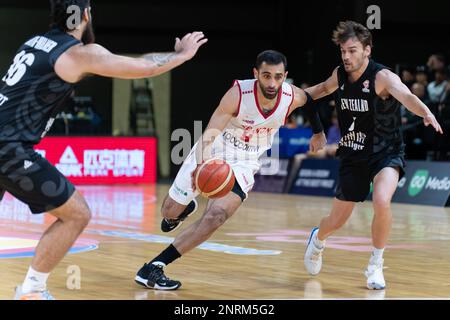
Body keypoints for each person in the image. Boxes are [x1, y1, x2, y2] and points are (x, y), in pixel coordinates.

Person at [0, 0, 207, 300]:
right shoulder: (79, 53)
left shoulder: (33, 43)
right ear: (85, 16)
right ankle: (32, 291)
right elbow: (144, 67)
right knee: (76, 214)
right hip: (10, 149)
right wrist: (182, 55)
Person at [135, 50, 326, 290]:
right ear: (256, 74)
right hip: (215, 149)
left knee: (217, 216)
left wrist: (318, 132)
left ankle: (154, 267)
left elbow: (312, 98)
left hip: (245, 162)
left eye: (278, 77)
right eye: (266, 76)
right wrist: (202, 164)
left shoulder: (291, 95)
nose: (272, 83)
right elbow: (211, 130)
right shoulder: (239, 94)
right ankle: (182, 211)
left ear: (285, 76)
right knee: (169, 212)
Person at [303, 21, 443, 290]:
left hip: (386, 153)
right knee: (336, 220)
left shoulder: (382, 77)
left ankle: (376, 265)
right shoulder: (340, 75)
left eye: (352, 50)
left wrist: (425, 112)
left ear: (367, 50)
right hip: (353, 154)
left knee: (381, 200)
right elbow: (318, 91)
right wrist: (286, 100)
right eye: (343, 51)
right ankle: (318, 240)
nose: (346, 56)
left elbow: (405, 95)